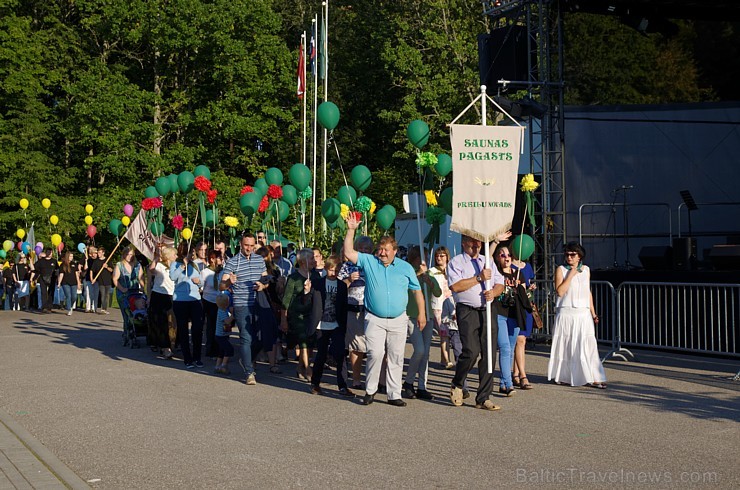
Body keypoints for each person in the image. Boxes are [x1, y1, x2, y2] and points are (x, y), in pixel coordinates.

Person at [344, 214, 425, 407]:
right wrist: (351, 229)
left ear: (395, 251)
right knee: (375, 353)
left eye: (386, 250)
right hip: (374, 318)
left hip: (398, 318)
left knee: (396, 356)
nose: (382, 253)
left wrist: (422, 313)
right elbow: (348, 252)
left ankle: (394, 394)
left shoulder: (406, 268)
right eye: (380, 249)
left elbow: (417, 291)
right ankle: (370, 391)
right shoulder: (369, 262)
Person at [447, 235, 505, 411]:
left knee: (489, 354)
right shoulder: (456, 262)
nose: (476, 245)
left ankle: (484, 397)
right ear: (464, 243)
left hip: (487, 309)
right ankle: (457, 383)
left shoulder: (486, 261)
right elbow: (455, 286)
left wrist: (494, 293)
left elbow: (499, 282)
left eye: (478, 242)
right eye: (472, 242)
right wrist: (479, 278)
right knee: (471, 351)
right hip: (467, 311)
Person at [547, 242, 607, 389]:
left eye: (572, 255)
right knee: (567, 344)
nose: (569, 257)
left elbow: (588, 292)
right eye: (567, 254)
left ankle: (594, 377)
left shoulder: (586, 270)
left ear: (579, 256)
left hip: (583, 313)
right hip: (567, 311)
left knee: (588, 345)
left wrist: (593, 313)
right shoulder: (561, 270)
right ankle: (565, 376)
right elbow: (560, 291)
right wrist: (571, 275)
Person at [220, 233, 267, 386]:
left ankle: (246, 360)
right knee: (246, 337)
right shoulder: (233, 262)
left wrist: (263, 285)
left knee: (261, 337)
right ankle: (249, 372)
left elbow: (266, 279)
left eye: (252, 245)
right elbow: (221, 285)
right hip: (241, 304)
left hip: (258, 303)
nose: (249, 248)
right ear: (241, 244)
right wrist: (228, 282)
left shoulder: (259, 259)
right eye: (246, 245)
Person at [308, 255, 353, 396]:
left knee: (341, 355)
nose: (333, 273)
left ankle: (343, 385)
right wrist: (306, 290)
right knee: (320, 355)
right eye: (331, 270)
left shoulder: (341, 285)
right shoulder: (317, 283)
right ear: (326, 269)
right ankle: (315, 383)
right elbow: (307, 301)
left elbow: (343, 307)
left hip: (336, 324)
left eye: (336, 270)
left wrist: (343, 326)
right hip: (321, 324)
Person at [403, 246, 442, 400]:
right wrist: (418, 275)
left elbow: (438, 292)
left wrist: (430, 281)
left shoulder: (429, 272)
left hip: (429, 316)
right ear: (415, 257)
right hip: (412, 315)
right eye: (422, 257)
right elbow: (404, 288)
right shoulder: (408, 271)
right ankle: (408, 382)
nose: (424, 260)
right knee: (419, 350)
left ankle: (422, 386)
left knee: (425, 353)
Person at [337, 236, 373, 389]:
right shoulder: (347, 266)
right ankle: (357, 379)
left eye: (367, 249)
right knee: (356, 346)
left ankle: (376, 380)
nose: (364, 251)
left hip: (372, 311)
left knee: (375, 347)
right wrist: (349, 280)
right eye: (361, 248)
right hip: (353, 310)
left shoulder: (374, 265)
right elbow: (338, 288)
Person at [281, 248, 316, 381]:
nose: (314, 261)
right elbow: (286, 299)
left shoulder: (316, 276)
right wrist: (283, 320)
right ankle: (307, 368)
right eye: (311, 258)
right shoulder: (294, 278)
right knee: (303, 341)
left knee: (310, 343)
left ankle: (299, 367)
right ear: (303, 261)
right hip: (297, 315)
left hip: (311, 314)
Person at [170, 241, 203, 369]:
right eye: (190, 252)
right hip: (181, 300)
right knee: (183, 330)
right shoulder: (175, 264)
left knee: (197, 329)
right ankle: (187, 359)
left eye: (193, 252)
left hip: (195, 299)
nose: (192, 255)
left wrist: (199, 282)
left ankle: (197, 357)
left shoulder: (194, 265)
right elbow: (173, 277)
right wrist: (182, 267)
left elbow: (200, 283)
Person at [492, 244, 519, 396]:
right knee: (505, 348)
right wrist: (495, 242)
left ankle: (503, 383)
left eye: (508, 255)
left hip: (514, 315)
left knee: (511, 348)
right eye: (502, 255)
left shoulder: (517, 273)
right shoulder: (496, 273)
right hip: (500, 313)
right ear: (497, 258)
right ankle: (508, 384)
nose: (506, 257)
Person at [254, 247, 282, 373]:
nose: (264, 259)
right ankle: (252, 360)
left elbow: (277, 290)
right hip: (256, 302)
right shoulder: (254, 270)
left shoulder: (275, 270)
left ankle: (273, 363)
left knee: (273, 333)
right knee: (255, 333)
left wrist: (280, 283)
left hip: (271, 304)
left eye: (265, 256)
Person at [511, 253, 536, 390]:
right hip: (515, 306)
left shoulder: (528, 266)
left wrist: (531, 288)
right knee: (519, 340)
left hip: (526, 306)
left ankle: (515, 373)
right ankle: (522, 375)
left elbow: (529, 284)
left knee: (521, 341)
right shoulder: (509, 266)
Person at [147, 246, 175, 359]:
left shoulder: (175, 266)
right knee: (161, 321)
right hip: (159, 295)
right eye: (174, 254)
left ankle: (173, 343)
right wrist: (156, 259)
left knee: (173, 322)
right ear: (168, 256)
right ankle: (165, 347)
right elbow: (151, 269)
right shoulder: (160, 265)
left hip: (172, 295)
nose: (176, 256)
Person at [112, 247, 144, 345]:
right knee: (126, 315)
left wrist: (142, 287)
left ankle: (134, 332)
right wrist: (122, 288)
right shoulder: (119, 265)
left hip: (134, 292)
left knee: (135, 313)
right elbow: (115, 279)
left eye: (131, 255)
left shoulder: (137, 265)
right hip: (123, 293)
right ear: (124, 254)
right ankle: (126, 333)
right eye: (128, 254)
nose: (130, 257)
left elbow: (141, 277)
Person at [428, 246, 453, 369]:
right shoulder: (432, 271)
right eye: (437, 256)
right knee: (443, 333)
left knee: (449, 332)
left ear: (447, 257)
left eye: (442, 255)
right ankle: (446, 359)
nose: (439, 258)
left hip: (450, 304)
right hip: (437, 305)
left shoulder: (452, 270)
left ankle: (444, 358)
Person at [201, 250, 224, 360]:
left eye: (221, 258)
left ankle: (221, 349)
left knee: (220, 325)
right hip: (209, 300)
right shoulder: (205, 272)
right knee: (211, 325)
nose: (220, 260)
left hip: (220, 301)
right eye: (218, 258)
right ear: (212, 259)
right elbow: (202, 287)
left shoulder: (223, 272)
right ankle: (211, 350)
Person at [214, 292, 235, 375]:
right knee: (229, 349)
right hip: (220, 336)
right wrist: (233, 315)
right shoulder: (222, 311)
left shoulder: (224, 310)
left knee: (222, 351)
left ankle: (217, 366)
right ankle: (223, 365)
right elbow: (227, 321)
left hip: (224, 335)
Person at [33, 248, 57, 313]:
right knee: (43, 293)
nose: (49, 254)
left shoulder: (54, 261)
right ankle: (44, 307)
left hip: (52, 278)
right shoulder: (41, 261)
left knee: (51, 292)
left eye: (51, 252)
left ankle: (49, 307)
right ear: (46, 253)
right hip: (43, 278)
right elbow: (35, 268)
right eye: (48, 252)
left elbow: (57, 270)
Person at [57, 251, 80, 316]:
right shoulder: (62, 265)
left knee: (74, 297)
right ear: (67, 257)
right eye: (70, 256)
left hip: (74, 282)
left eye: (72, 256)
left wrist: (78, 283)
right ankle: (69, 309)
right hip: (65, 282)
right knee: (68, 296)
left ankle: (71, 306)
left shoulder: (74, 264)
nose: (71, 258)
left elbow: (76, 274)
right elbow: (61, 274)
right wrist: (59, 283)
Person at [93, 247, 113, 314]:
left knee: (106, 295)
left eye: (99, 252)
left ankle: (105, 308)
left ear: (103, 253)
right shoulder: (96, 261)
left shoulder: (108, 260)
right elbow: (92, 270)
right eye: (98, 252)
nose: (98, 254)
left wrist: (106, 267)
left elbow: (111, 270)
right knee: (102, 294)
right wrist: (93, 279)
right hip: (100, 281)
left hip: (108, 281)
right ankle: (102, 309)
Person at [82, 246, 99, 313]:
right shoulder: (89, 260)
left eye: (95, 253)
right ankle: (88, 307)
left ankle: (94, 307)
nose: (94, 254)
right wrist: (86, 261)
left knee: (95, 294)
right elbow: (85, 268)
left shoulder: (98, 261)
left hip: (96, 279)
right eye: (93, 253)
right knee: (88, 293)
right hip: (89, 278)